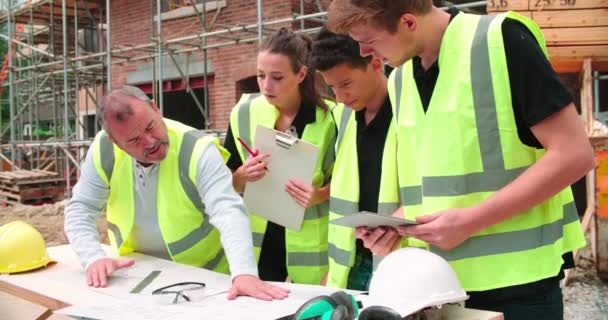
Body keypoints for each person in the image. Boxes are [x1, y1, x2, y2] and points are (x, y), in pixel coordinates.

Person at [326, 1, 594, 318]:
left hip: (519, 289)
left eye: (368, 40)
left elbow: (574, 154)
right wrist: (398, 224)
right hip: (438, 291)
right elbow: (440, 180)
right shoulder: (400, 80)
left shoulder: (502, 40)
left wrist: (471, 221)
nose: (364, 51)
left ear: (408, 23)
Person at [64, 85, 289, 301]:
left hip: (204, 278)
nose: (150, 142)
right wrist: (93, 257)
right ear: (116, 142)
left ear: (155, 108)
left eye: (150, 126)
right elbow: (80, 208)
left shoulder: (197, 149)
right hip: (138, 273)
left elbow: (227, 209)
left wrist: (244, 273)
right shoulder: (104, 150)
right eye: (134, 140)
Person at [224, 28, 336, 285]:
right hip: (258, 246)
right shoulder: (242, 112)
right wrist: (242, 176)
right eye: (261, 75)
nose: (265, 86)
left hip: (310, 246)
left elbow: (348, 179)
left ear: (301, 74)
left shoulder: (332, 117)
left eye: (276, 77)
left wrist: (320, 194)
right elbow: (225, 181)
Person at [310, 28, 399, 290]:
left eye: (346, 83)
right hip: (351, 263)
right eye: (332, 87)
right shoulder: (345, 116)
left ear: (375, 63)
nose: (339, 97)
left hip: (400, 259)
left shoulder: (409, 106)